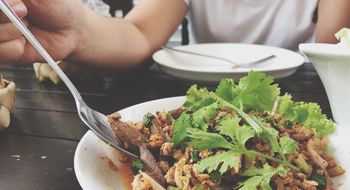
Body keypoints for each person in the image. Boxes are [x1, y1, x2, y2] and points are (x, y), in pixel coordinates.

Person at [0, 0, 349, 70]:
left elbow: (329, 54)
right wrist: (75, 32)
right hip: (200, 93)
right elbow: (137, 33)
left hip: (299, 92)